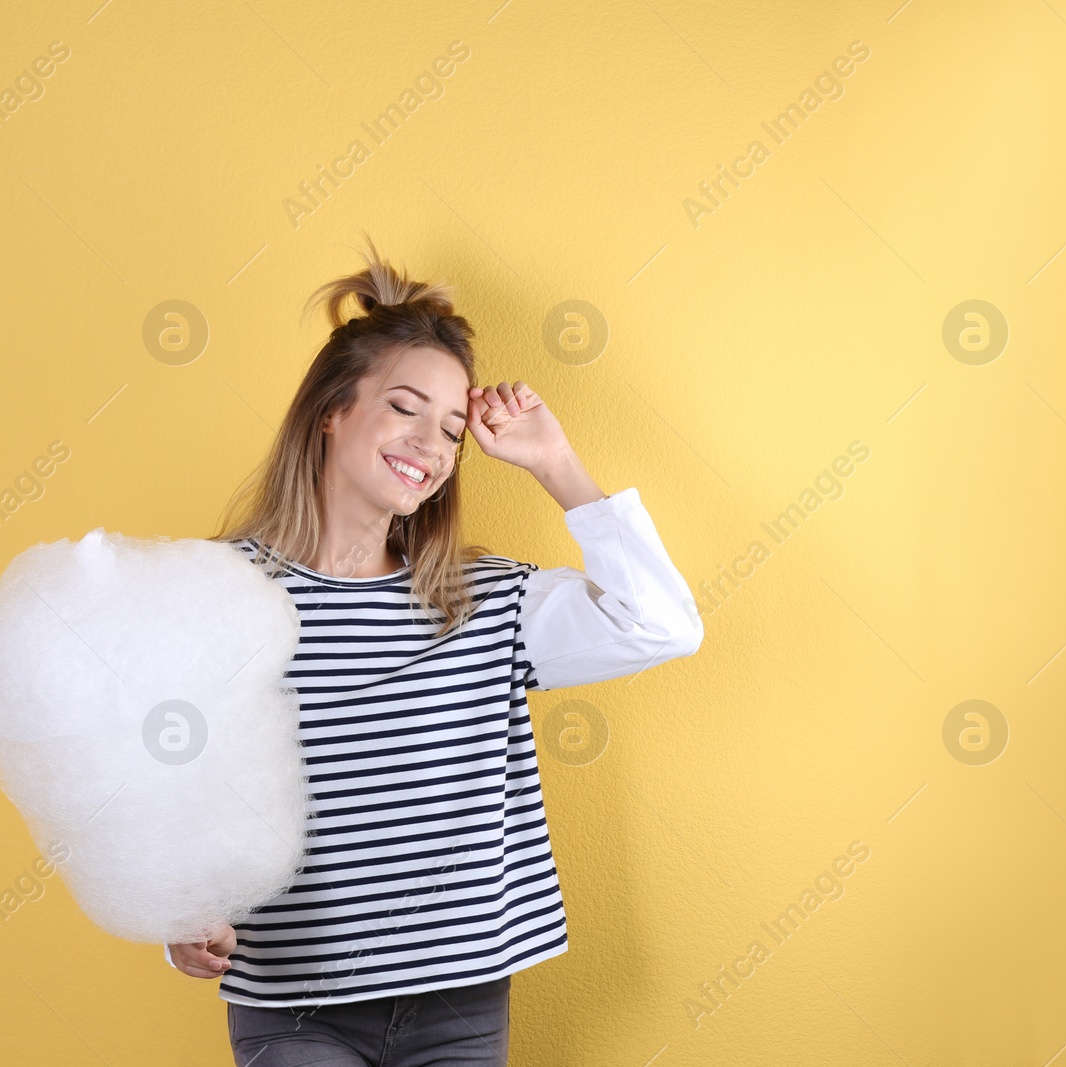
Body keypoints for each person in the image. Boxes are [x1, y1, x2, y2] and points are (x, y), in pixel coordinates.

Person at [165, 233, 703, 1066]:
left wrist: (555, 461)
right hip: (294, 997)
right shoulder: (218, 592)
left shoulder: (486, 600)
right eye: (405, 407)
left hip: (461, 994)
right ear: (331, 410)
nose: (430, 443)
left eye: (453, 428)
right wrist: (180, 916)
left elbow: (663, 623)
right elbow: (171, 777)